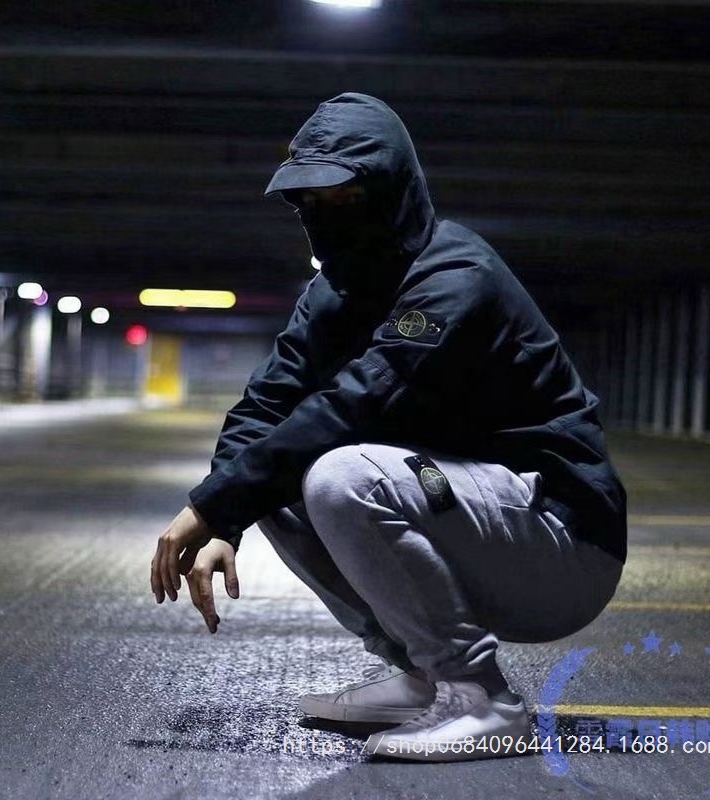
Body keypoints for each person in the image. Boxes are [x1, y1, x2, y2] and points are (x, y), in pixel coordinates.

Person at [150, 92, 627, 762]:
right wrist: (223, 518)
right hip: (479, 522)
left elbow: (354, 403)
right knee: (274, 487)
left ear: (391, 190)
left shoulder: (454, 275)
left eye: (344, 196)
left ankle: (482, 699)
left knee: (343, 475)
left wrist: (207, 508)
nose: (323, 214)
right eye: (309, 200)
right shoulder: (331, 295)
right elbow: (266, 405)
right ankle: (423, 676)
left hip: (562, 544)